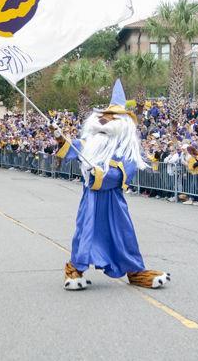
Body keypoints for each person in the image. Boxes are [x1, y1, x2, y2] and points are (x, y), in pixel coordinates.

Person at [54, 80, 169, 291]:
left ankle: (136, 272)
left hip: (113, 200)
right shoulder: (90, 142)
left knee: (123, 233)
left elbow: (121, 175)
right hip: (91, 198)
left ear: (124, 123)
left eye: (112, 117)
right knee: (85, 231)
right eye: (104, 116)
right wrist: (61, 140)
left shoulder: (127, 152)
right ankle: (74, 269)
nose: (106, 120)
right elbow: (73, 148)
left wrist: (99, 174)